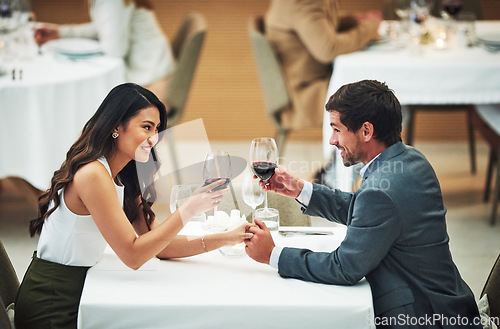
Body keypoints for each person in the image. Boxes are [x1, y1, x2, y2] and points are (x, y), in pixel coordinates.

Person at [245, 80, 482, 328]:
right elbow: (368, 214)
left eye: (337, 130)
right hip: (450, 305)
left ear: (366, 131)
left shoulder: (380, 191)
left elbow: (343, 268)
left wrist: (272, 254)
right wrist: (299, 189)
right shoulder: (411, 159)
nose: (332, 141)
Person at [14, 83, 253, 329]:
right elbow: (133, 255)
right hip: (52, 304)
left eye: (157, 129)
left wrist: (226, 238)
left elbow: (160, 246)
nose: (154, 138)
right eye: (146, 127)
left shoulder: (122, 176)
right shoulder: (93, 174)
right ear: (116, 127)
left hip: (81, 290)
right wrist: (189, 210)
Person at [265, 0, 383, 131]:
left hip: (307, 85)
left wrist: (354, 21)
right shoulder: (303, 3)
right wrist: (369, 27)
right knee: (384, 102)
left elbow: (317, 25)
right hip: (306, 95)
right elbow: (329, 49)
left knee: (382, 93)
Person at [33, 0, 175, 106]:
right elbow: (106, 27)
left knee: (83, 104)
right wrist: (61, 32)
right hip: (154, 68)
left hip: (151, 82)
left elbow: (115, 49)